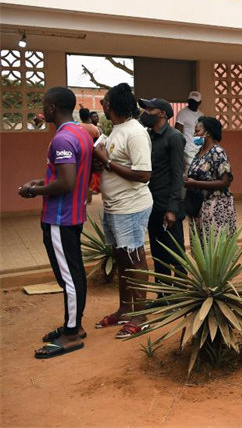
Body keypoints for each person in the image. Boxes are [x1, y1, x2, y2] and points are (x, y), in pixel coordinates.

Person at [18, 87, 93, 359]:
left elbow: (67, 182)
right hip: (73, 215)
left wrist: (34, 191)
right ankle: (74, 325)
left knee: (68, 278)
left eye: (44, 105)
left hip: (60, 218)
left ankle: (71, 334)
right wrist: (42, 181)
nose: (43, 109)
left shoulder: (62, 139)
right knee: (74, 272)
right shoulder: (81, 133)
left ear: (52, 108)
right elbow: (71, 174)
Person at [92, 83, 153, 338]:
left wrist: (106, 161)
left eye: (105, 101)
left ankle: (140, 316)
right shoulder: (116, 130)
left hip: (131, 206)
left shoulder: (135, 133)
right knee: (122, 258)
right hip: (115, 206)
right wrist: (102, 162)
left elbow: (143, 174)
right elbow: (114, 164)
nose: (102, 105)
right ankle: (125, 309)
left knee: (134, 258)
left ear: (114, 105)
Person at [138, 98, 186, 281]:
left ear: (163, 114)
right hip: (152, 204)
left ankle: (181, 291)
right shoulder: (148, 137)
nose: (146, 113)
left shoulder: (174, 137)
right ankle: (163, 292)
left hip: (168, 205)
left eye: (150, 109)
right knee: (158, 253)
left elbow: (177, 175)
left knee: (175, 253)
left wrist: (172, 208)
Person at [184, 116, 236, 237]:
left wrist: (195, 183)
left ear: (207, 133)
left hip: (215, 206)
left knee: (214, 243)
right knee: (200, 243)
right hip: (198, 205)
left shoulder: (217, 152)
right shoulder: (199, 153)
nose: (194, 134)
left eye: (197, 131)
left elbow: (225, 181)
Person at [78, 107, 102, 202]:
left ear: (80, 117)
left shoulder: (78, 127)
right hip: (92, 155)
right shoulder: (95, 129)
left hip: (81, 154)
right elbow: (99, 142)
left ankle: (82, 196)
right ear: (89, 116)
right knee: (90, 176)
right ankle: (88, 195)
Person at [175, 91, 203, 168]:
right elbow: (178, 133)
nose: (192, 103)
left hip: (198, 149)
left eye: (195, 102)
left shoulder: (201, 115)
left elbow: (202, 133)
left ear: (199, 103)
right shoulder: (182, 113)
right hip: (188, 150)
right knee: (191, 170)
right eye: (191, 101)